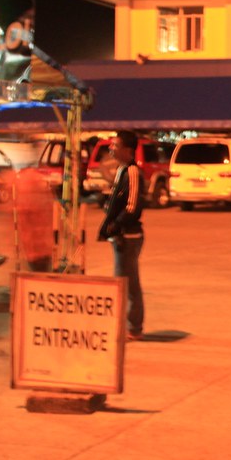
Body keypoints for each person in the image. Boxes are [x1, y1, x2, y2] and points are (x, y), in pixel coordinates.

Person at [98, 131, 145, 341]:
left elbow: (132, 207)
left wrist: (116, 224)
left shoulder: (132, 172)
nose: (111, 149)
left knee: (128, 283)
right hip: (120, 236)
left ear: (127, 150)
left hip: (129, 237)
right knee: (122, 282)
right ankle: (128, 326)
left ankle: (134, 328)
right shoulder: (121, 170)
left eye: (115, 145)